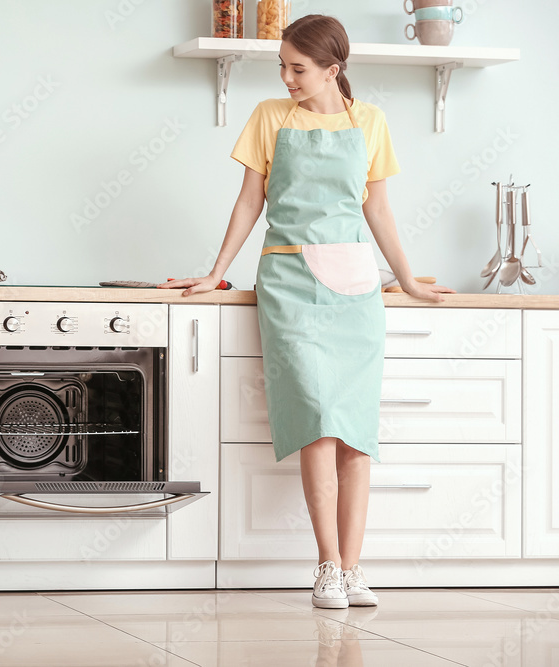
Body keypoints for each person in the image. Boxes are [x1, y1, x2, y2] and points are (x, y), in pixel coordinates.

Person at [162, 15, 455, 608]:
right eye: (283, 67)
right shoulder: (270, 117)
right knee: (318, 423)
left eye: (298, 68)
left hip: (354, 285)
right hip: (290, 281)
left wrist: (405, 279)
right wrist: (217, 271)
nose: (286, 77)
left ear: (332, 69)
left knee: (355, 434)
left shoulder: (369, 122)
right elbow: (249, 201)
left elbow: (379, 211)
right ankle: (326, 567)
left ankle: (353, 569)